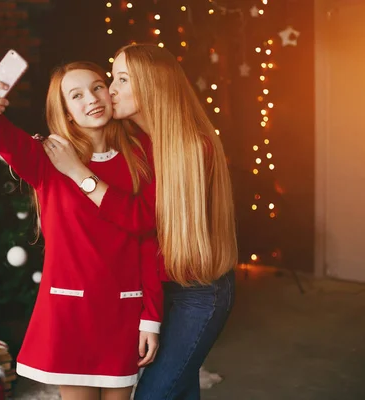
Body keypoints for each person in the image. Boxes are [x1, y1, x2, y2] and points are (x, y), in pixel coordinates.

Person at [0, 61, 163, 400]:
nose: (92, 99)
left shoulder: (142, 154)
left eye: (97, 87)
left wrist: (150, 319)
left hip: (124, 315)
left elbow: (148, 240)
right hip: (70, 317)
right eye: (76, 95)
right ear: (65, 112)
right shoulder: (44, 158)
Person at [42, 44, 237, 399]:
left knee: (156, 393)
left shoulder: (194, 146)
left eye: (121, 79)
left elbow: (141, 218)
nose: (110, 89)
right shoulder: (138, 144)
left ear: (152, 85)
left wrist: (79, 174)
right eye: (111, 78)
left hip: (197, 292)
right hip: (161, 289)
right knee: (179, 389)